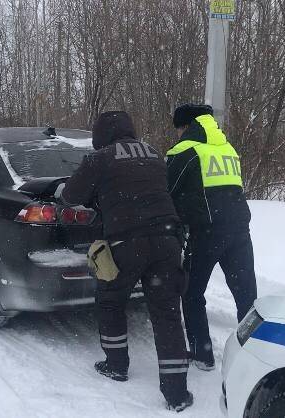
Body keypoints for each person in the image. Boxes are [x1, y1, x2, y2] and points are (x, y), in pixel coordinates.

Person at [60, 111, 194, 412]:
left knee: (110, 300)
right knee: (167, 313)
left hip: (127, 243)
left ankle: (116, 365)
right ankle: (176, 393)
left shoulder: (100, 159)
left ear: (101, 136)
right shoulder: (153, 154)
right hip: (168, 240)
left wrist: (95, 196)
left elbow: (70, 195)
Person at [166, 104, 257, 371]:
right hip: (240, 231)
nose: (178, 134)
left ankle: (202, 354)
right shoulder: (228, 149)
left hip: (206, 233)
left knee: (192, 292)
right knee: (247, 296)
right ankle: (253, 354)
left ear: (185, 126)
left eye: (179, 128)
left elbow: (167, 190)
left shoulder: (184, 151)